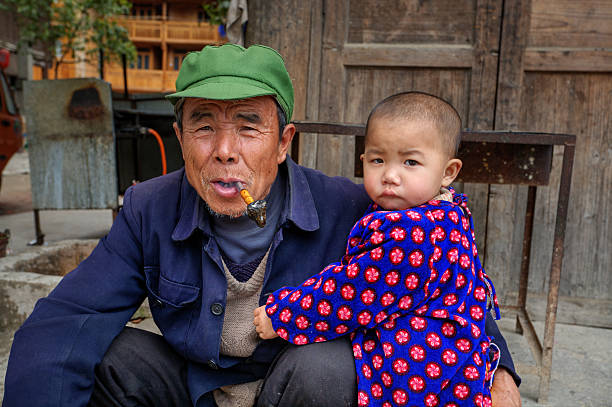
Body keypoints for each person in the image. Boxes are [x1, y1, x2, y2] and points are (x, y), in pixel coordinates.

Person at [2, 44, 521, 407]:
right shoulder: (148, 208)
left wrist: (499, 373)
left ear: (284, 140)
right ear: (180, 138)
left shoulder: (358, 207)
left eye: (249, 126)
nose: (225, 151)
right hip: (196, 389)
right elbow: (67, 320)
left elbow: (444, 281)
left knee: (327, 368)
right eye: (204, 125)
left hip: (293, 390)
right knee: (108, 356)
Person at [254, 91, 501, 406]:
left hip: (419, 378)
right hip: (450, 370)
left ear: (448, 172)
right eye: (378, 160)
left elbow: (353, 292)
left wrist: (284, 316)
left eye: (410, 162)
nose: (390, 175)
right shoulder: (450, 215)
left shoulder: (411, 235)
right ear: (363, 161)